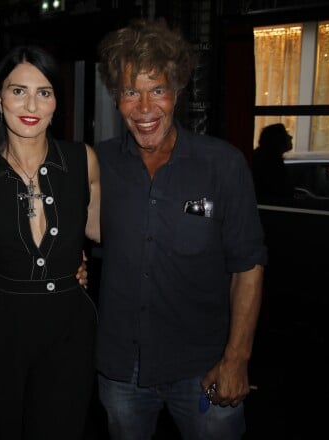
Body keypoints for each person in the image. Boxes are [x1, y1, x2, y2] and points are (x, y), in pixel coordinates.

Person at [94, 18, 268, 440]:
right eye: (131, 92)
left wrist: (237, 358)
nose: (145, 108)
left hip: (204, 368)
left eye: (158, 90)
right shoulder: (97, 164)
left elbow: (248, 265)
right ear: (117, 98)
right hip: (121, 372)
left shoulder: (222, 165)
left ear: (178, 92)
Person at [0, 45, 101, 439]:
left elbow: (106, 231)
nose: (31, 104)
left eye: (44, 92)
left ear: (57, 102)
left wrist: (77, 259)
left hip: (68, 328)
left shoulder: (82, 160)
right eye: (18, 90)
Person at [252, 123, 294, 200]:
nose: (291, 137)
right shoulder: (271, 163)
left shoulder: (264, 157)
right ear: (278, 140)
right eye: (286, 134)